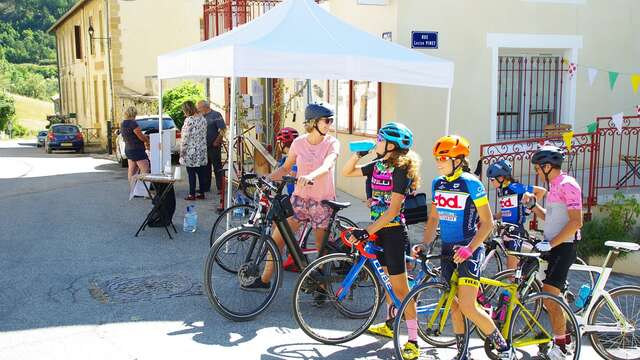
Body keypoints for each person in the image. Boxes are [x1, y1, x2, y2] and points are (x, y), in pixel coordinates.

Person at [415, 135, 514, 360]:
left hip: (469, 248)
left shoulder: (471, 182)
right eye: (437, 158)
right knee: (455, 305)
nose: (438, 162)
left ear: (458, 160)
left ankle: (505, 348)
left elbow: (488, 223)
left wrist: (469, 248)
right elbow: (433, 219)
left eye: (443, 157)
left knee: (468, 306)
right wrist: (425, 243)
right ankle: (463, 354)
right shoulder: (437, 183)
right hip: (448, 249)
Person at [342, 122, 422, 360]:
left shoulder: (401, 171)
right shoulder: (379, 164)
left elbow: (393, 211)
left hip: (394, 233)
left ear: (391, 145)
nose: (376, 143)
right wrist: (358, 154)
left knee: (401, 288)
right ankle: (390, 324)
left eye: (379, 140)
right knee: (388, 282)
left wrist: (366, 232)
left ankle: (414, 341)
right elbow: (347, 171)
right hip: (380, 231)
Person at [241, 103, 339, 292]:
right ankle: (264, 279)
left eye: (331, 120)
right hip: (299, 201)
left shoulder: (332, 142)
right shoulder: (299, 143)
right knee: (276, 239)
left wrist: (311, 176)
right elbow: (286, 168)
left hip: (323, 202)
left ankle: (321, 286)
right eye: (327, 120)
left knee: (321, 247)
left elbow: (328, 164)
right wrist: (266, 179)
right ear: (313, 122)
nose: (330, 124)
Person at [523, 145, 583, 360]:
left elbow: (576, 221)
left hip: (564, 247)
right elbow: (551, 217)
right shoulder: (555, 185)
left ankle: (562, 347)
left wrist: (552, 244)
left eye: (538, 168)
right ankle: (565, 333)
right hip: (553, 245)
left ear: (548, 166)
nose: (536, 172)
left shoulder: (568, 185)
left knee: (549, 297)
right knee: (549, 294)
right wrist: (533, 207)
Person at [486, 159, 546, 271]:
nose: (491, 182)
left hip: (516, 231)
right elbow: (505, 210)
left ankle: (514, 288)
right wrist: (493, 217)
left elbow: (542, 191)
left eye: (492, 179)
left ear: (501, 177)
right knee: (513, 269)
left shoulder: (515, 187)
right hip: (507, 229)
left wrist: (529, 206)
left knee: (511, 268)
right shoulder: (501, 190)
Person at [179, 100, 208, 201]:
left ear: (186, 110)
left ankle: (192, 194)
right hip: (201, 150)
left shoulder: (189, 120)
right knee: (201, 172)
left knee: (191, 173)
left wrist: (182, 151)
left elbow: (185, 138)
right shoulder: (203, 119)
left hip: (191, 151)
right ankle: (201, 192)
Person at [197, 100, 226, 196]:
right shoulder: (200, 116)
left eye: (199, 107)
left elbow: (223, 129)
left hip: (214, 145)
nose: (198, 109)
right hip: (203, 146)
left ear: (205, 107)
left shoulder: (216, 115)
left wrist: (217, 141)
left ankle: (220, 188)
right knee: (205, 167)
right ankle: (205, 187)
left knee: (217, 167)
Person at [120, 106, 149, 185]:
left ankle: (133, 190)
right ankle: (144, 191)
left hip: (128, 149)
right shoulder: (133, 123)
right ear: (133, 114)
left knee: (132, 170)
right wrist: (147, 139)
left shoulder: (123, 123)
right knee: (145, 169)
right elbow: (141, 136)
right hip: (137, 149)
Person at [275, 127, 299, 195]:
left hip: (292, 199)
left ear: (282, 143)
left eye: (278, 142)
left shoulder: (291, 161)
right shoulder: (287, 159)